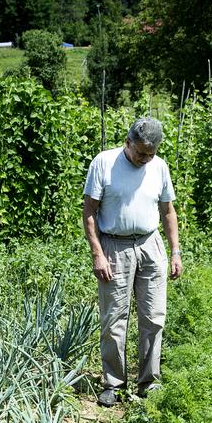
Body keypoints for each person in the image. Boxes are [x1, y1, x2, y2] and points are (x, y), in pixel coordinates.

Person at [83, 117, 182, 407]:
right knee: (114, 318)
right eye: (140, 153)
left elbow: (168, 211)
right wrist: (98, 253)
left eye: (150, 154)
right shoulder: (103, 163)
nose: (144, 159)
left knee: (154, 317)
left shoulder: (159, 167)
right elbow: (89, 211)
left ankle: (148, 382)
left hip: (151, 245)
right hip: (115, 245)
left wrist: (175, 251)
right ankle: (113, 383)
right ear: (127, 143)